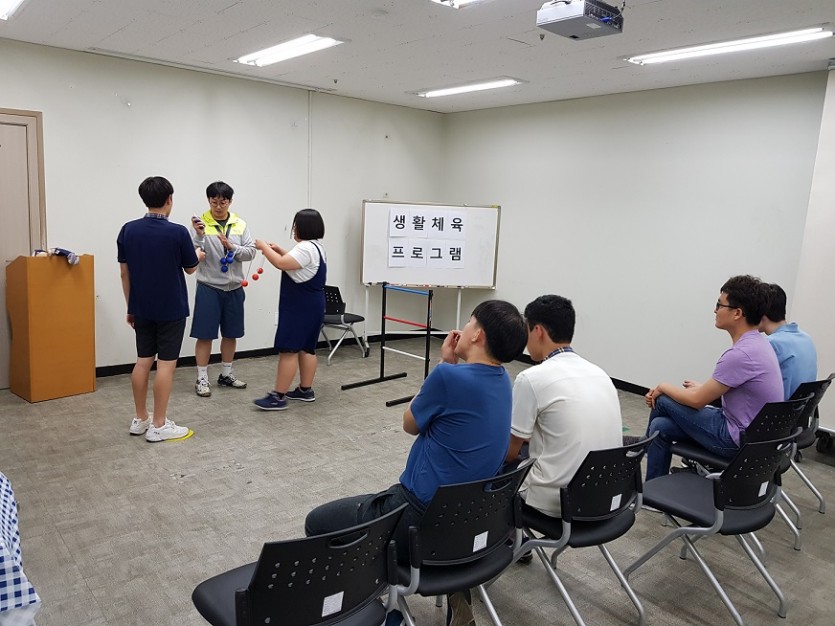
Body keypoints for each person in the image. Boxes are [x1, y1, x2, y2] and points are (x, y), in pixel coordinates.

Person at [305, 300, 527, 626]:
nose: (463, 327)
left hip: (418, 516)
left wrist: (444, 365)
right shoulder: (504, 380)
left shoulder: (449, 377)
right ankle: (453, 595)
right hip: (469, 522)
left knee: (319, 523)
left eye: (469, 322)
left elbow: (409, 423)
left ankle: (375, 610)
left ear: (477, 335)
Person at [643, 275, 783, 480]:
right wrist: (701, 390)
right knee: (659, 427)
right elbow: (729, 392)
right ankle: (652, 488)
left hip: (736, 440)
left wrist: (662, 386)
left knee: (663, 399)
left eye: (719, 305)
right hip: (751, 435)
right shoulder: (758, 344)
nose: (715, 310)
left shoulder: (740, 354)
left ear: (737, 313)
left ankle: (640, 448)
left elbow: (697, 401)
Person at [505, 295, 622, 519]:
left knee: (496, 466)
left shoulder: (531, 378)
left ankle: (508, 537)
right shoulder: (600, 374)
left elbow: (509, 453)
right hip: (604, 497)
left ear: (538, 331)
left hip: (557, 502)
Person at [117, 176, 198, 442]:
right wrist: (198, 255)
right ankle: (159, 425)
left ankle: (141, 418)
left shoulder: (128, 230)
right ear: (169, 200)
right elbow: (191, 268)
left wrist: (131, 306)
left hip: (141, 307)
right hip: (171, 308)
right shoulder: (178, 232)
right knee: (166, 365)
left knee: (143, 361)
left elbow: (125, 274)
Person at [253, 209, 327, 411]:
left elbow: (281, 264)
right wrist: (278, 249)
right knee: (307, 348)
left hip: (299, 306)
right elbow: (296, 263)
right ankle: (305, 390)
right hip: (314, 304)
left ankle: (278, 397)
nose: (293, 229)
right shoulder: (316, 247)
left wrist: (263, 247)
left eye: (295, 226)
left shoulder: (305, 248)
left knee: (289, 349)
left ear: (302, 227)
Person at [189, 181, 256, 398]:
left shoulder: (239, 224)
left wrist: (232, 247)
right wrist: (199, 236)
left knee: (231, 333)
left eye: (223, 202)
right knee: (205, 335)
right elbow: (192, 255)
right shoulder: (201, 224)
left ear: (230, 201)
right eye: (214, 202)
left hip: (234, 288)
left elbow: (251, 252)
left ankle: (226, 374)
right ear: (209, 200)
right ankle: (202, 377)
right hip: (209, 287)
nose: (218, 206)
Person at [759, 283, 817, 400]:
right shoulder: (806, 339)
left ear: (761, 312)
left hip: (775, 409)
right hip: (799, 410)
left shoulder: (771, 344)